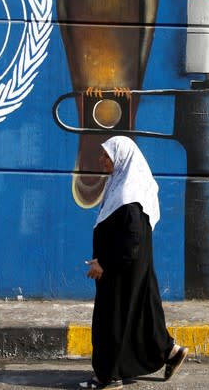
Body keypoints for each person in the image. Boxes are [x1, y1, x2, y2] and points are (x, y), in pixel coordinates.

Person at [80, 136, 189, 390]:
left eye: (106, 156)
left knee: (111, 319)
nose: (101, 160)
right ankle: (169, 352)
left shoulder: (129, 194)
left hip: (120, 272)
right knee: (141, 316)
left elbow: (131, 239)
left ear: (121, 158)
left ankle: (109, 377)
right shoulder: (126, 186)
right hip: (130, 270)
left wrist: (103, 263)